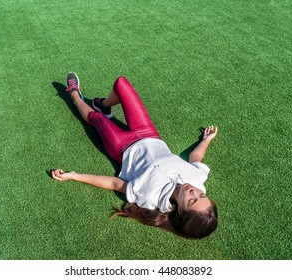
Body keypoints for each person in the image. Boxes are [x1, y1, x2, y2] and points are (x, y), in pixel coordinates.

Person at [51, 72, 218, 239]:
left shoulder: (150, 197)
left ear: (180, 211)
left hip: (121, 147)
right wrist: (206, 140)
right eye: (201, 195)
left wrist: (75, 176)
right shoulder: (198, 178)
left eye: (192, 200)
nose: (194, 191)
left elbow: (114, 183)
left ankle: (74, 94)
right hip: (149, 134)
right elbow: (195, 158)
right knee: (121, 83)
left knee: (97, 119)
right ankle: (103, 104)